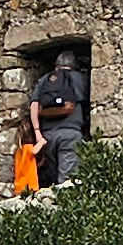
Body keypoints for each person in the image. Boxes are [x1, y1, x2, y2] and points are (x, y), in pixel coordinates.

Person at [27, 44, 89, 187]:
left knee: (51, 181)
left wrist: (37, 133)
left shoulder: (46, 79)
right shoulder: (80, 78)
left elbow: (34, 105)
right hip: (70, 135)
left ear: (56, 66)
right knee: (67, 183)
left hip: (47, 137)